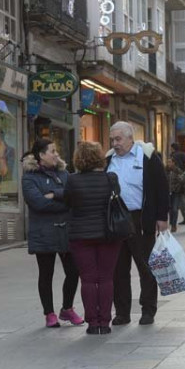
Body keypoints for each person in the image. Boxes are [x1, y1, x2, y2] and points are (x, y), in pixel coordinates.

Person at [106, 121, 169, 326]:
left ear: (130, 138)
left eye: (119, 139)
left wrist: (161, 217)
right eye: (112, 139)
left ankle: (148, 310)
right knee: (118, 269)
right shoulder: (108, 160)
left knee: (146, 267)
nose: (115, 143)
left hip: (141, 219)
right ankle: (122, 312)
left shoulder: (148, 157)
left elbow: (162, 187)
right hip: (116, 220)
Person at [21, 138, 85, 328]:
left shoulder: (65, 174)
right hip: (43, 232)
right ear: (41, 155)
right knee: (46, 274)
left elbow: (74, 198)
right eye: (52, 151)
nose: (57, 154)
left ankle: (67, 308)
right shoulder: (29, 177)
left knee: (74, 272)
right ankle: (49, 313)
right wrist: (62, 200)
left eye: (56, 151)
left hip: (67, 230)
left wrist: (54, 194)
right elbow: (38, 204)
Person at [64, 141, 124, 334]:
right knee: (106, 278)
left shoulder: (72, 180)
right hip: (108, 234)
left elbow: (67, 202)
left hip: (81, 236)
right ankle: (105, 323)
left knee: (88, 280)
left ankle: (92, 323)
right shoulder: (111, 178)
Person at [166, 158, 185, 232]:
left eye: (170, 162)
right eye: (168, 162)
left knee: (175, 209)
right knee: (170, 209)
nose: (168, 163)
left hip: (176, 192)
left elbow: (182, 180)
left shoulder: (177, 170)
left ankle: (174, 225)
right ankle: (171, 223)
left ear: (173, 163)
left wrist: (177, 187)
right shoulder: (165, 170)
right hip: (168, 192)